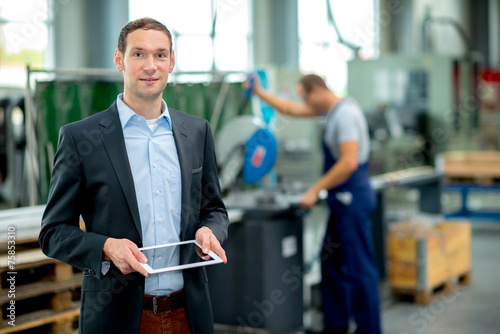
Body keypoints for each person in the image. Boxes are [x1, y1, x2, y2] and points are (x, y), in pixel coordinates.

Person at [39, 18, 229, 334]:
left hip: (189, 315)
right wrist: (105, 247)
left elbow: (215, 210)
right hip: (118, 319)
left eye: (160, 55)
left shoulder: (196, 132)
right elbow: (53, 233)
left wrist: (211, 231)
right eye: (138, 54)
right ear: (119, 60)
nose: (150, 65)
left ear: (171, 63)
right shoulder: (81, 138)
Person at [246, 74, 381, 334]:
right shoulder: (332, 112)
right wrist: (260, 93)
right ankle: (336, 325)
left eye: (306, 96)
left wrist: (315, 189)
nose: (305, 102)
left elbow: (349, 162)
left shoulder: (344, 115)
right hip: (341, 199)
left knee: (359, 270)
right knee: (331, 264)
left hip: (352, 199)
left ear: (317, 90)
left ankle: (369, 329)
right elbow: (293, 110)